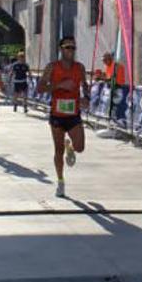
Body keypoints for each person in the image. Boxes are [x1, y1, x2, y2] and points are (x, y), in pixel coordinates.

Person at [37, 36, 90, 198]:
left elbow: (85, 86)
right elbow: (40, 88)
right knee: (58, 150)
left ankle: (71, 148)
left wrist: (86, 98)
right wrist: (59, 85)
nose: (71, 51)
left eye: (73, 48)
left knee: (80, 147)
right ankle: (60, 182)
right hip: (57, 115)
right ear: (61, 49)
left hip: (73, 113)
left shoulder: (79, 68)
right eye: (68, 47)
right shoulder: (52, 67)